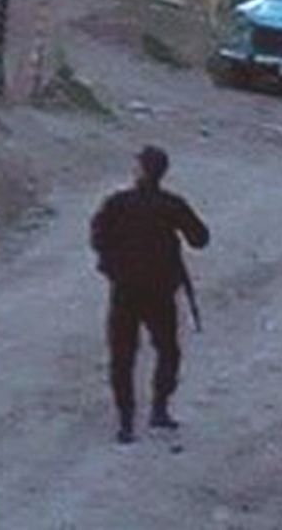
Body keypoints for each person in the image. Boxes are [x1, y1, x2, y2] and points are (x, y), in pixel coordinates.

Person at [89, 146, 210, 444]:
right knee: (168, 350)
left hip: (125, 290)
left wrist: (112, 266)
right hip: (159, 291)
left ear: (141, 170)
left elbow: (98, 237)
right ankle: (159, 410)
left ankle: (126, 423)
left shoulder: (117, 203)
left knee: (122, 356)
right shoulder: (171, 205)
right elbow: (200, 238)